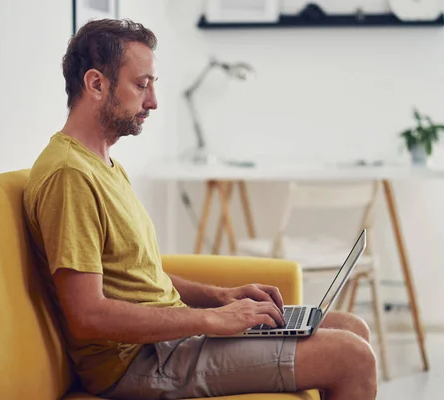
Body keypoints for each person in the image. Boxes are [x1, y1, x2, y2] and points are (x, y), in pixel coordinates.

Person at [23, 18, 378, 400]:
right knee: (352, 356)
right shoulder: (69, 176)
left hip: (170, 343)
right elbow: (88, 315)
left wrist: (219, 297)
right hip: (139, 362)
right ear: (96, 84)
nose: (153, 101)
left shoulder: (104, 164)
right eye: (141, 85)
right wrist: (210, 320)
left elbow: (140, 277)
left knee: (350, 326)